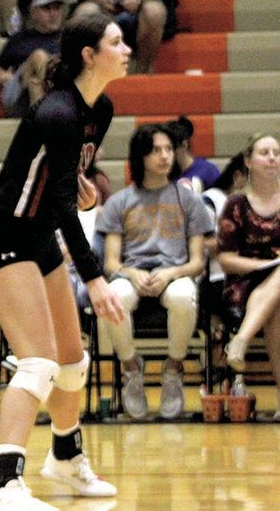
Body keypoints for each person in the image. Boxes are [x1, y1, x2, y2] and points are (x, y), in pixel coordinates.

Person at [0, 12, 129, 511]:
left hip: (38, 237)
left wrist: (82, 192)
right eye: (116, 41)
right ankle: (3, 486)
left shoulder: (99, 109)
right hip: (6, 237)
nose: (126, 48)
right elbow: (62, 205)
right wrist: (95, 275)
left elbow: (67, 188)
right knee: (38, 363)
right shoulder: (58, 112)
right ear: (90, 55)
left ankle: (66, 456)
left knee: (72, 361)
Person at [97, 124, 211, 419]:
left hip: (174, 273)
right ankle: (131, 367)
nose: (165, 156)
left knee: (185, 296)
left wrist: (171, 273)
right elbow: (110, 262)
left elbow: (198, 261)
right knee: (114, 297)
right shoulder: (119, 201)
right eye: (156, 150)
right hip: (133, 274)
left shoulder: (189, 200)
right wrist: (131, 274)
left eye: (169, 149)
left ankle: (173, 368)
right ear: (141, 156)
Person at [219, 133, 280, 392]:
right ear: (248, 160)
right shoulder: (235, 204)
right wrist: (260, 266)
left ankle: (241, 339)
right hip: (245, 280)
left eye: (276, 153)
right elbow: (225, 259)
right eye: (264, 153)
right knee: (276, 310)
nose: (272, 158)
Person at [0, 0, 65, 117]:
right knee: (38, 57)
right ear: (34, 12)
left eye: (57, 8)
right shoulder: (20, 39)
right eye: (46, 8)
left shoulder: (69, 38)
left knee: (35, 84)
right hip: (19, 96)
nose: (53, 14)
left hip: (41, 95)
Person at [167, 115, 221, 191]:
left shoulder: (208, 171)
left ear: (184, 145)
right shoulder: (163, 173)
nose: (165, 155)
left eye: (170, 148)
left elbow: (220, 199)